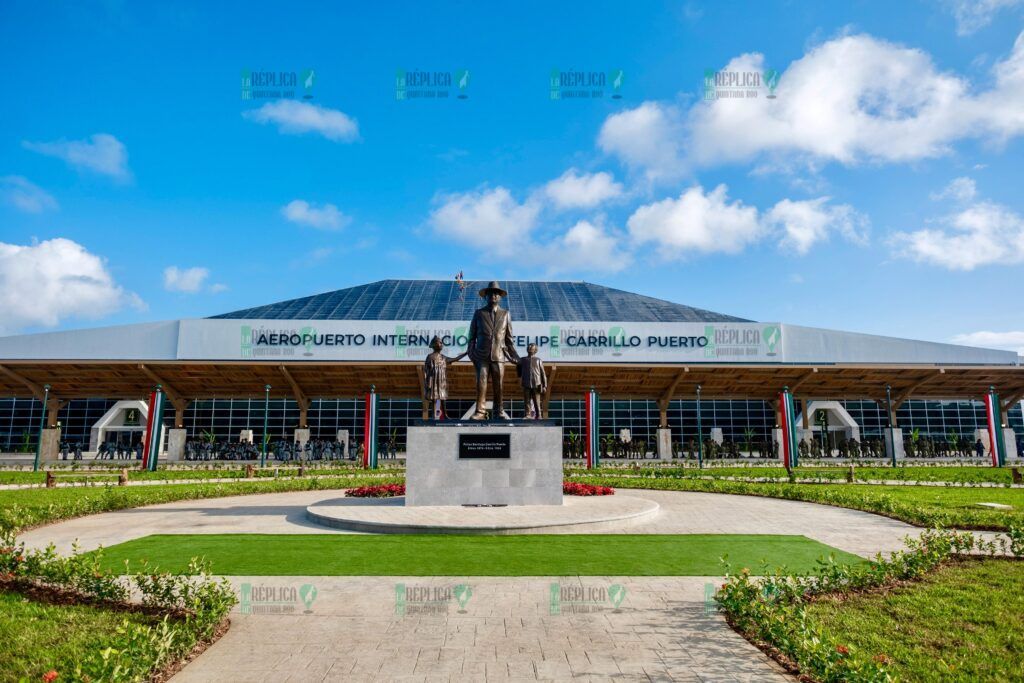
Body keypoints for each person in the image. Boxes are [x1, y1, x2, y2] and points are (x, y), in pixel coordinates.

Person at [466, 281, 519, 420]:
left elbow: (509, 340)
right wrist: (471, 353)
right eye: (491, 293)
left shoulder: (506, 314)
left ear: (500, 297)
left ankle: (498, 411)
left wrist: (517, 358)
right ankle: (480, 412)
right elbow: (472, 336)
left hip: (499, 355)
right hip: (481, 355)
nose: (494, 296)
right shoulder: (479, 313)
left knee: (499, 385)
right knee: (481, 383)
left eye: (496, 293)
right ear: (486, 296)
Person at [422, 335, 466, 420]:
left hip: (441, 380)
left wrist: (466, 353)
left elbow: (455, 359)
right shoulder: (430, 356)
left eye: (442, 343)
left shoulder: (443, 357)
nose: (441, 344)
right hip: (433, 380)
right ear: (434, 345)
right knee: (434, 398)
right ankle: (434, 415)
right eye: (440, 342)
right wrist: (427, 382)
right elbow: (426, 370)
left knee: (442, 397)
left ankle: (445, 415)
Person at [516, 342, 547, 419]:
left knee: (536, 401)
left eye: (531, 347)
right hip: (526, 383)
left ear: (535, 350)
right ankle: (527, 414)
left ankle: (539, 415)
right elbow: (519, 371)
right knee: (527, 401)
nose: (529, 347)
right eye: (529, 346)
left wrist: (545, 385)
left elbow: (543, 374)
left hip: (536, 383)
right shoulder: (522, 360)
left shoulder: (538, 360)